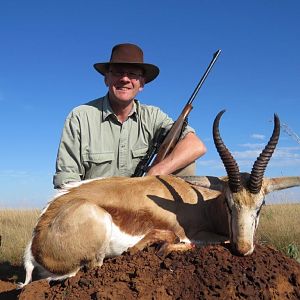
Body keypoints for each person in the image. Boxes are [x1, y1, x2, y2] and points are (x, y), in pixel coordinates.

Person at [53, 43, 206, 188]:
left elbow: (196, 146)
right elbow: (67, 179)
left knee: (184, 161)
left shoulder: (153, 116)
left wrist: (157, 171)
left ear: (142, 84)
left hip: (142, 202)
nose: (125, 79)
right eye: (118, 72)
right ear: (106, 79)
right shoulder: (80, 116)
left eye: (132, 74)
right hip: (96, 206)